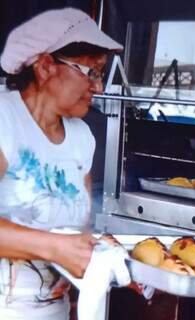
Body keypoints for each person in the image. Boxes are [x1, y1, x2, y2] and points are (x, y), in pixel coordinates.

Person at [0, 7, 123, 319]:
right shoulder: (6, 119)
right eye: (91, 72)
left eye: (101, 74)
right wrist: (54, 247)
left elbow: (73, 230)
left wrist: (106, 258)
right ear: (45, 66)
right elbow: (58, 244)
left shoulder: (82, 138)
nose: (99, 87)